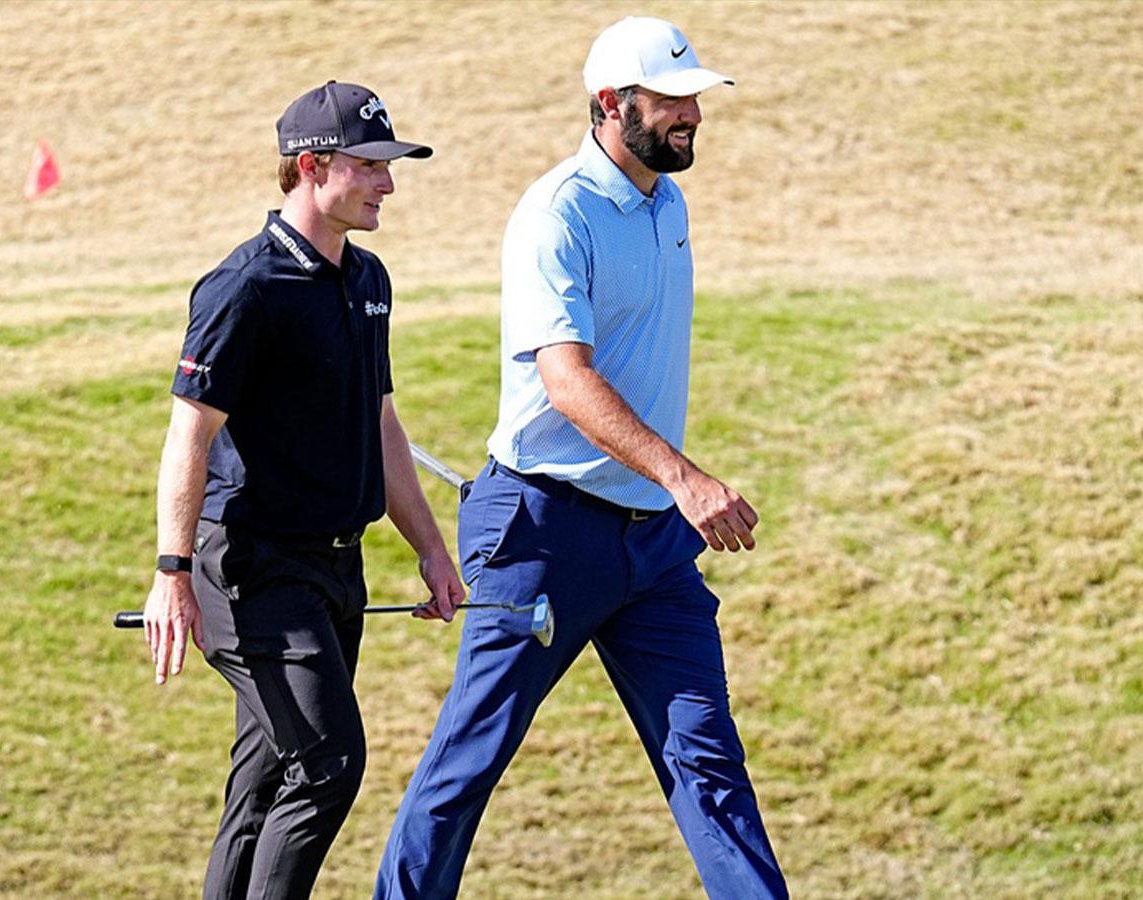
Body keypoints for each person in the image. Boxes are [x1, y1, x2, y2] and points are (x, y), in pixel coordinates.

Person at [374, 18, 787, 899]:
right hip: (542, 529)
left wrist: (667, 493)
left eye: (696, 100)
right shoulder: (556, 213)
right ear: (611, 105)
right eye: (673, 101)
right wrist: (686, 478)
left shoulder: (665, 199)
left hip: (651, 546)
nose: (693, 117)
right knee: (468, 765)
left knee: (709, 764)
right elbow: (566, 379)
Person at [140, 81, 466, 900]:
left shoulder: (368, 282)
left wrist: (430, 548)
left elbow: (383, 425)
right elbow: (190, 435)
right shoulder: (243, 289)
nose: (388, 184)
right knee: (327, 763)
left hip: (335, 572)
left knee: (263, 782)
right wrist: (171, 573)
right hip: (251, 571)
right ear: (314, 167)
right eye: (372, 166)